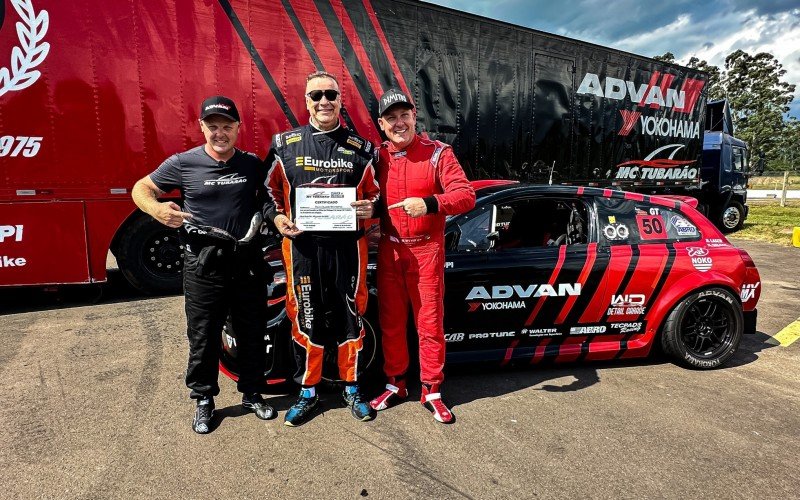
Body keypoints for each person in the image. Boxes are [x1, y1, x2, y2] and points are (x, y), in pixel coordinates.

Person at [131, 96, 274, 434]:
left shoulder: (253, 164)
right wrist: (156, 210)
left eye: (227, 126)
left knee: (252, 331)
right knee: (203, 335)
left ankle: (253, 393)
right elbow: (142, 188)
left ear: (238, 128)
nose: (219, 133)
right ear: (202, 127)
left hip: (246, 263)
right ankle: (204, 399)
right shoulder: (184, 163)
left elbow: (271, 200)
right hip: (203, 265)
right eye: (213, 127)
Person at [264, 71, 379, 427]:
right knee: (306, 316)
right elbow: (269, 195)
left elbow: (376, 196)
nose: (324, 101)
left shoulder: (363, 149)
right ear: (306, 101)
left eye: (331, 94)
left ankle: (351, 387)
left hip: (348, 249)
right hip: (303, 249)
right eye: (316, 96)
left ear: (341, 101)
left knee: (350, 317)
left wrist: (372, 208)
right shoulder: (285, 144)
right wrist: (278, 219)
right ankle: (308, 391)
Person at [369, 89, 475, 423]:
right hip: (389, 249)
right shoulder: (376, 157)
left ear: (414, 117)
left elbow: (465, 195)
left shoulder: (438, 153)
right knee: (390, 324)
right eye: (391, 118)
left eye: (404, 115)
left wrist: (429, 203)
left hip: (427, 250)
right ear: (381, 124)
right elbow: (368, 197)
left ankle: (432, 390)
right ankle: (396, 384)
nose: (399, 123)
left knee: (429, 325)